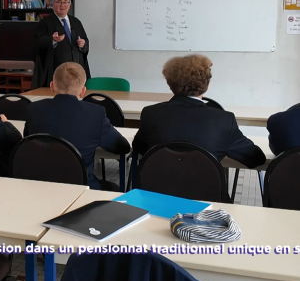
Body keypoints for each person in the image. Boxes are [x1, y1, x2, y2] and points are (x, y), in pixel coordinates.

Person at [132, 54, 265, 168]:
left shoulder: (151, 113)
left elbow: (139, 147)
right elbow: (255, 159)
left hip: (156, 194)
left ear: (170, 84)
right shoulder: (223, 120)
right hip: (206, 196)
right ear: (206, 85)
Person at [24, 62, 130, 190]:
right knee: (114, 188)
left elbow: (28, 139)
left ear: (52, 86)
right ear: (83, 91)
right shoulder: (96, 113)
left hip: (40, 184)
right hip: (81, 186)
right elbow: (122, 147)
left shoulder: (34, 109)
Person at [31, 0, 90, 88]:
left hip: (75, 72)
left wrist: (83, 44)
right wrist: (53, 40)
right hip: (55, 72)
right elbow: (38, 43)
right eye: (59, 2)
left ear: (69, 5)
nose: (62, 5)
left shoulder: (76, 22)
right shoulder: (45, 22)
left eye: (66, 2)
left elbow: (86, 42)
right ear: (53, 4)